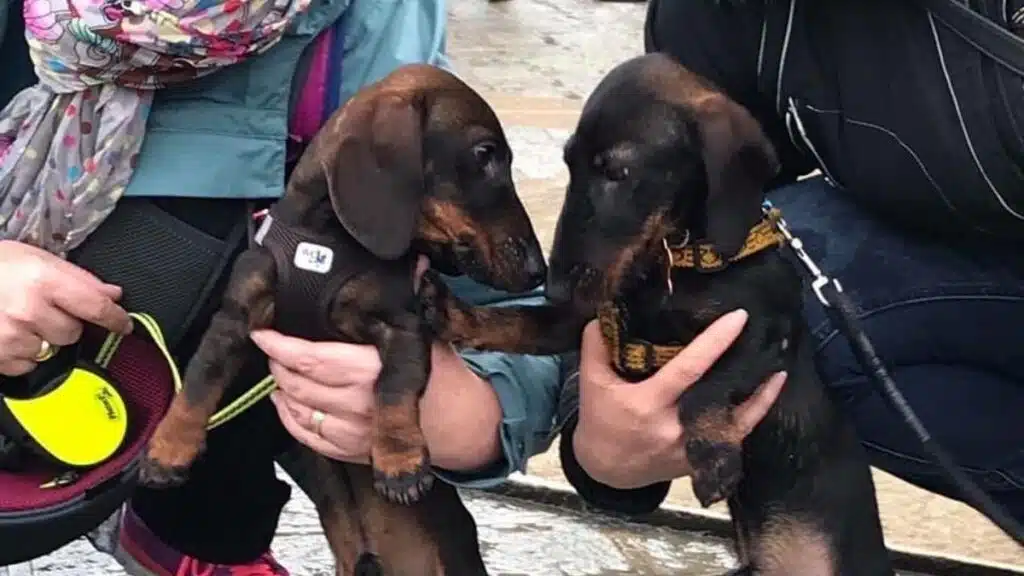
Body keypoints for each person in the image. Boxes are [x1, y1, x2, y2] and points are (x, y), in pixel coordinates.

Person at [0, 0, 563, 574]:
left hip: (308, 380)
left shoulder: (394, 20)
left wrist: (477, 416)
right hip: (53, 378)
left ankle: (181, 532)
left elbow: (512, 306)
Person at [557, 0, 1024, 524]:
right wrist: (601, 441)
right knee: (790, 287)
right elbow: (681, 226)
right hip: (964, 259)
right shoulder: (714, 18)